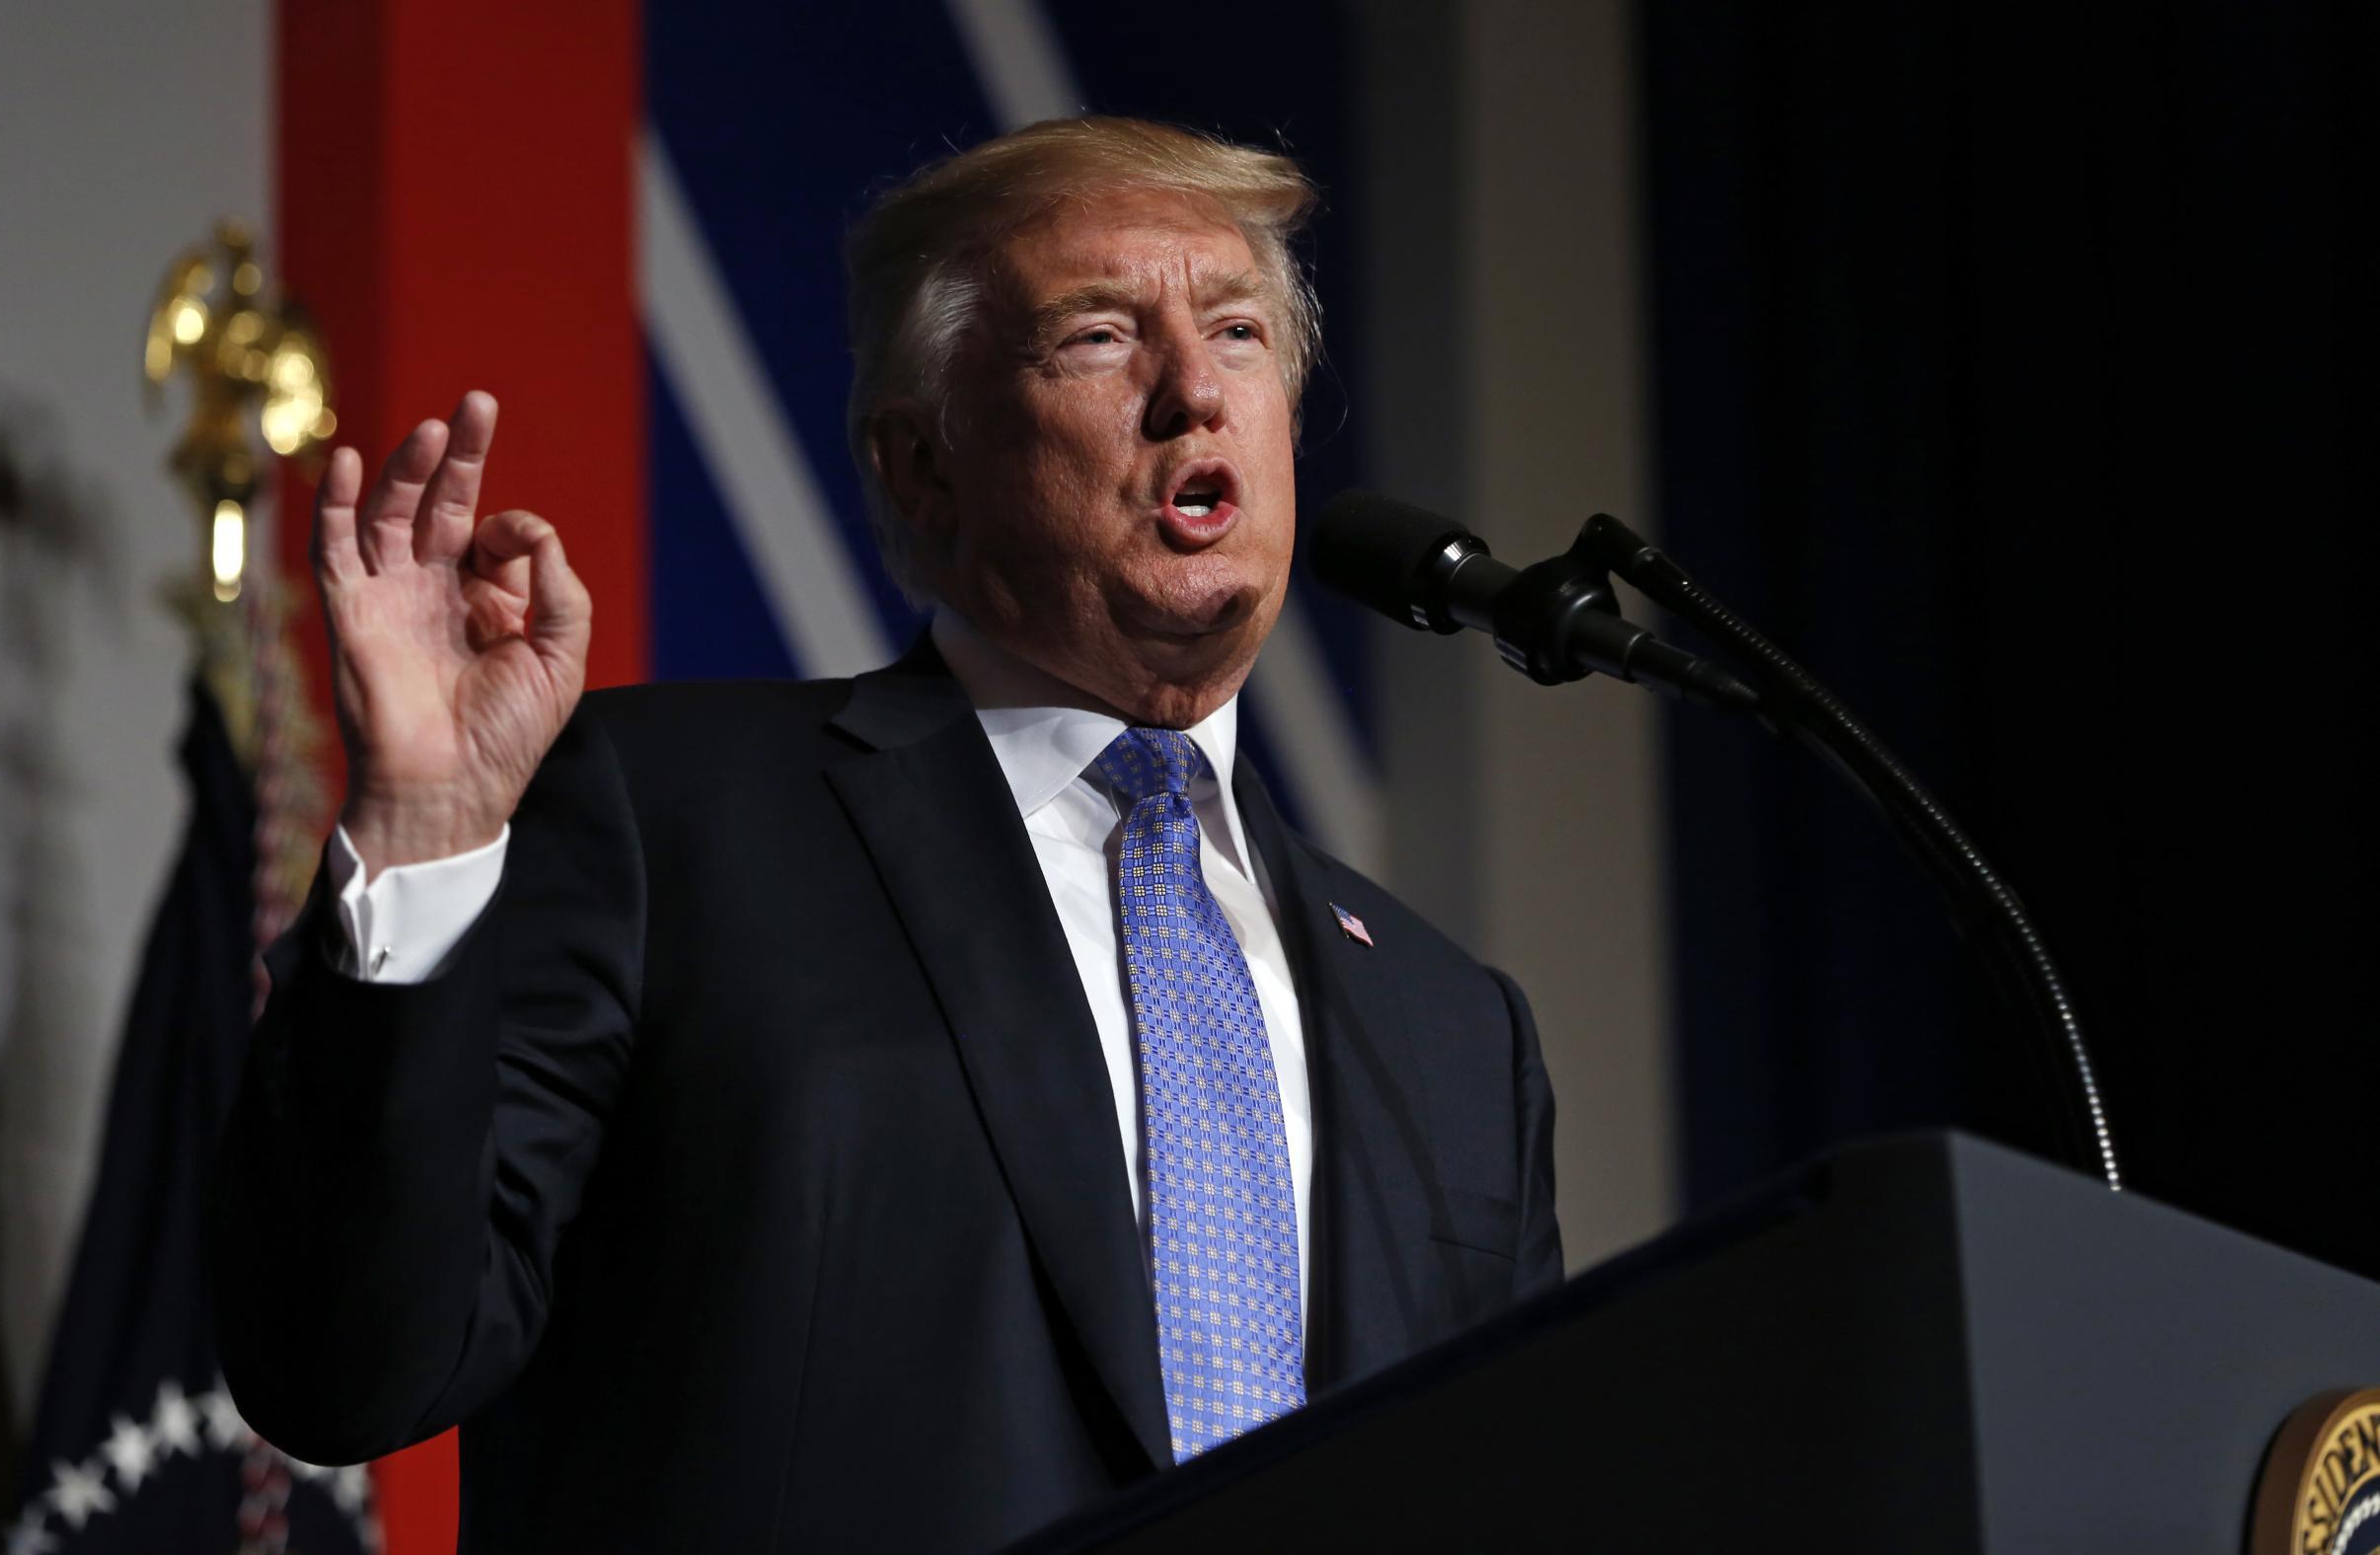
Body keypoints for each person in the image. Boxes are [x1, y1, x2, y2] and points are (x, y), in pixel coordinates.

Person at [216, 116, 1563, 1553]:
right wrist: (425, 833)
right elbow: (348, 1363)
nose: (1195, 393)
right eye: (1100, 338)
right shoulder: (671, 822)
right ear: (922, 462)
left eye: (1237, 332)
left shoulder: (1452, 1030)